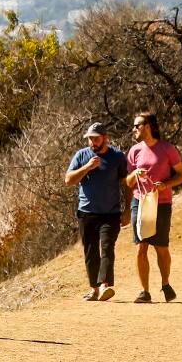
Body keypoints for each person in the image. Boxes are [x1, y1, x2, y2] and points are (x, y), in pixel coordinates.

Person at [124, 112, 182, 303]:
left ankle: (166, 284)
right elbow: (127, 182)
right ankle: (144, 291)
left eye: (137, 125)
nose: (134, 129)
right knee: (140, 247)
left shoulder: (167, 149)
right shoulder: (134, 151)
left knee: (161, 247)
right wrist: (135, 173)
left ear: (148, 126)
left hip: (162, 203)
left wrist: (165, 185)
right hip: (140, 202)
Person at [65, 122, 130, 301]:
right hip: (87, 212)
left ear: (105, 138)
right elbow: (68, 180)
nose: (92, 142)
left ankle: (104, 285)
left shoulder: (117, 157)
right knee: (90, 250)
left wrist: (127, 210)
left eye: (96, 138)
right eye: (90, 139)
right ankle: (94, 289)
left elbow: (126, 184)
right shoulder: (81, 155)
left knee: (107, 247)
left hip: (111, 212)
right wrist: (87, 167)